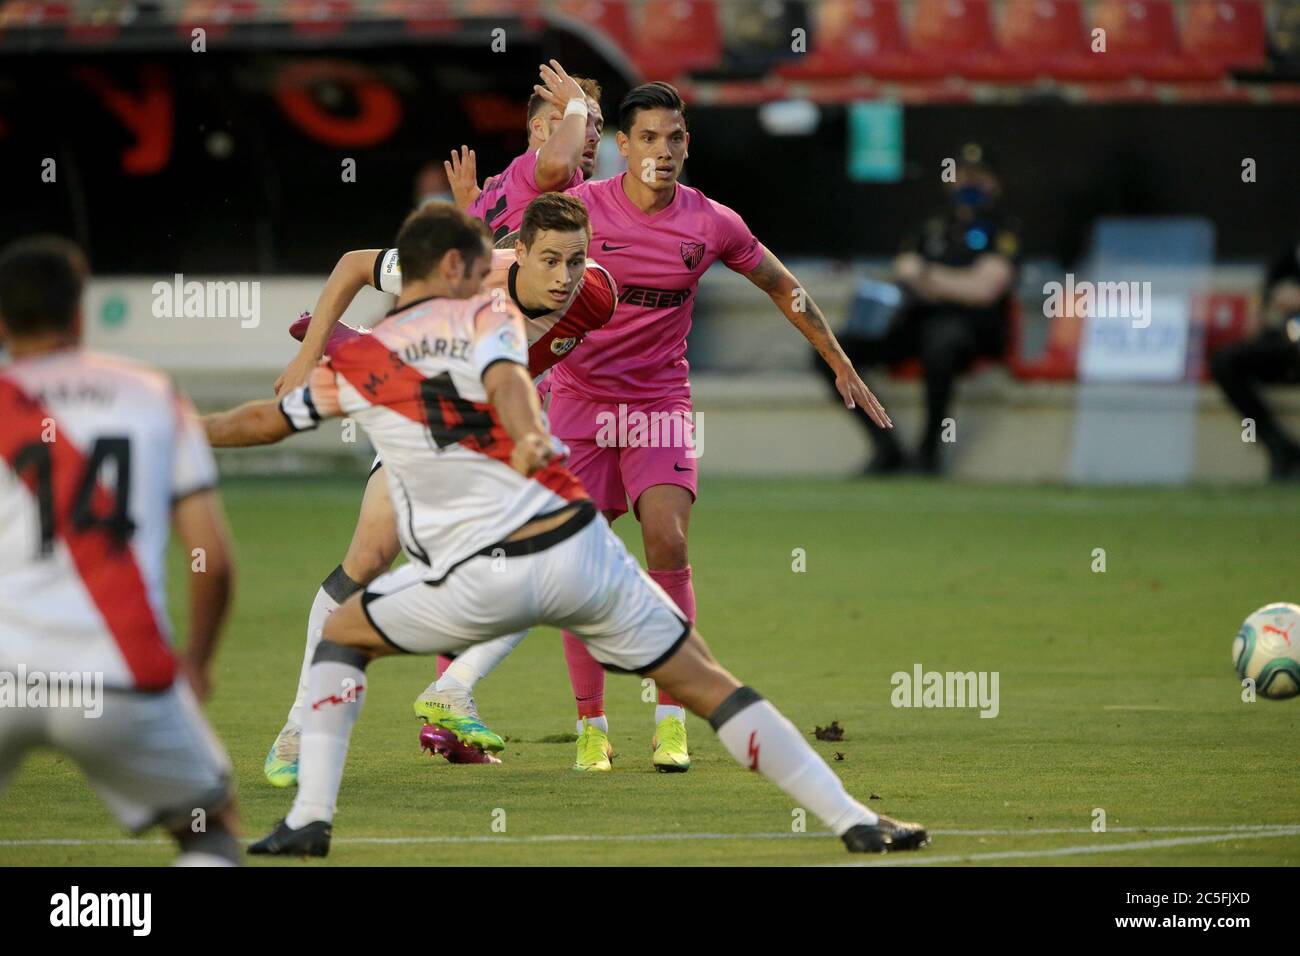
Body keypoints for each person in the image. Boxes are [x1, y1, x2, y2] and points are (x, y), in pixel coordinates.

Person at [200, 202, 928, 858]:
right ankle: (854, 819)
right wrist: (527, 434)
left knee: (342, 634)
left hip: (485, 576)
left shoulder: (368, 357)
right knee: (709, 684)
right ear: (459, 269)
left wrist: (180, 427)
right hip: (582, 551)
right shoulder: (491, 320)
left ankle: (311, 819)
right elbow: (509, 379)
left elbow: (261, 423)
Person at [543, 81, 890, 772]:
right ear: (622, 145)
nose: (663, 150)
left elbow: (783, 286)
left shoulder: (711, 223)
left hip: (658, 405)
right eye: (648, 138)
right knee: (579, 568)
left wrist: (840, 361)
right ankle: (590, 727)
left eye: (674, 138)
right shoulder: (581, 211)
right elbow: (512, 269)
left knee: (668, 542)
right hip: (579, 405)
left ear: (687, 145)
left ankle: (670, 719)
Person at [261, 193, 618, 785]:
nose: (565, 277)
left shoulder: (598, 297)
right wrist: (309, 354)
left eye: (576, 261)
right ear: (519, 254)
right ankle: (300, 729)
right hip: (415, 415)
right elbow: (353, 264)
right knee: (367, 561)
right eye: (551, 261)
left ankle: (451, 690)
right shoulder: (463, 274)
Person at [0, 237, 240, 865]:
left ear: (2, 322)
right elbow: (211, 558)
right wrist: (198, 662)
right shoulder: (152, 394)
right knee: (210, 826)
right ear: (80, 312)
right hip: (118, 674)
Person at [816, 143, 1020, 475]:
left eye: (978, 176)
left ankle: (928, 454)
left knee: (941, 344)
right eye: (962, 175)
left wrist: (927, 275)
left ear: (993, 182)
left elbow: (982, 290)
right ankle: (887, 447)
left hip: (973, 328)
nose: (968, 183)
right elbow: (903, 271)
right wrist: (948, 281)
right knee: (834, 350)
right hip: (918, 320)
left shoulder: (1004, 228)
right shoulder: (932, 227)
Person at [445, 60, 603, 242]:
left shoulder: (497, 187)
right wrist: (576, 104)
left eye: (598, 127)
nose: (594, 136)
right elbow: (558, 164)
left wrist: (470, 208)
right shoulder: (535, 168)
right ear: (539, 128)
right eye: (580, 121)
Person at [1209, 239, 1300, 480]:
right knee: (1225, 362)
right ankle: (1279, 446)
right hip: (1291, 346)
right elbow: (1267, 283)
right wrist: (1257, 312)